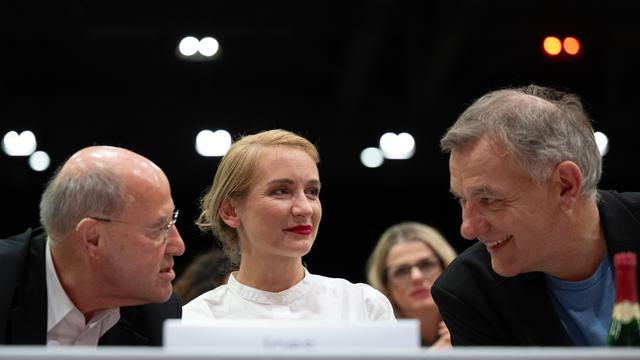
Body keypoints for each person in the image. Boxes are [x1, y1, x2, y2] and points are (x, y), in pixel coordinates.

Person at [431, 85, 640, 346]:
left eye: (489, 200)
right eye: (462, 200)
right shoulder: (469, 292)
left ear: (566, 186)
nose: (468, 228)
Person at [183, 129, 394, 320]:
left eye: (312, 192)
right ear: (230, 210)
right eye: (281, 191)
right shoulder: (197, 320)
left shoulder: (363, 307)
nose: (305, 208)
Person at [0, 145, 185, 346]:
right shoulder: (6, 282)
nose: (178, 246)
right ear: (93, 238)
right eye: (159, 227)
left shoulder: (157, 316)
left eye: (172, 221)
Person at [366, 222, 457, 347]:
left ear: (446, 267)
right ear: (385, 285)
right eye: (401, 272)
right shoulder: (373, 338)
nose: (416, 277)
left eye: (426, 264)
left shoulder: (475, 320)